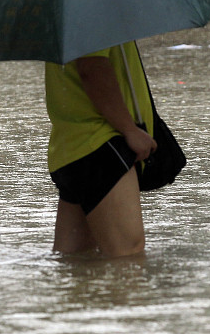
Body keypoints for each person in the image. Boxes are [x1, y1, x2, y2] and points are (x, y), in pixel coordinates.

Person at [44, 40, 156, 258]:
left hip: (72, 148)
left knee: (77, 260)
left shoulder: (69, 17)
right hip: (101, 146)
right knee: (128, 256)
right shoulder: (93, 11)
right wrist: (130, 129)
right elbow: (91, 68)